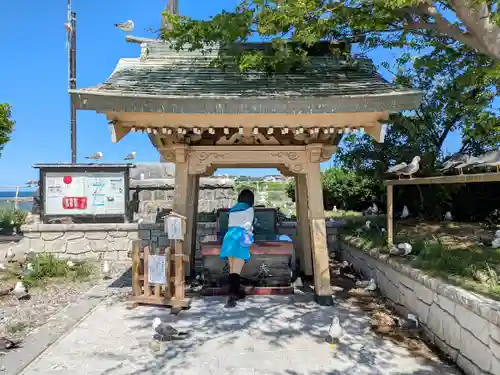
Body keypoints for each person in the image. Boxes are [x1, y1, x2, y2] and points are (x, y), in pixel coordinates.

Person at [219, 189, 255, 308]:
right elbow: (248, 225)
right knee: (236, 270)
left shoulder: (233, 209)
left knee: (232, 268)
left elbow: (230, 224)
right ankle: (231, 297)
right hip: (240, 237)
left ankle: (236, 293)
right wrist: (251, 234)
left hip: (229, 236)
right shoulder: (249, 209)